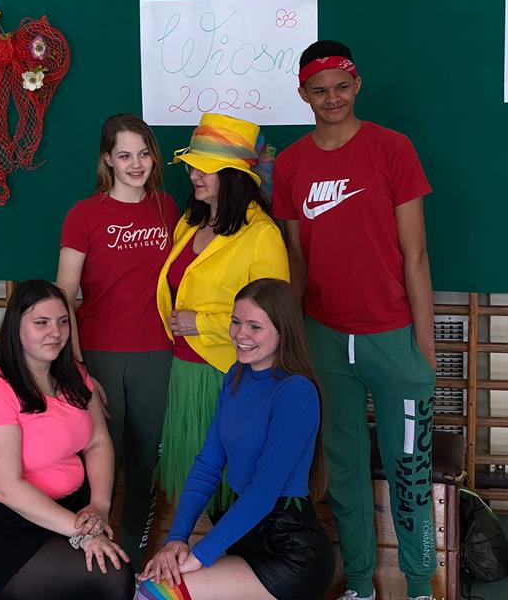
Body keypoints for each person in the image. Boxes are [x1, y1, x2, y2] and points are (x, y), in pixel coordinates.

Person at [272, 40, 436, 600]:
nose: (332, 98)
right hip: (323, 337)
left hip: (393, 337)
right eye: (319, 90)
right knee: (343, 468)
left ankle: (420, 586)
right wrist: (295, 339)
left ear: (357, 85)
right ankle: (361, 585)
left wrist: (424, 344)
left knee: (409, 467)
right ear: (303, 94)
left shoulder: (392, 149)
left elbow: (416, 254)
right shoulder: (291, 164)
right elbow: (297, 259)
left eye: (342, 87)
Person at [138, 278, 334, 600]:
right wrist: (176, 539)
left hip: (289, 553)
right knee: (153, 584)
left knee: (154, 593)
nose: (240, 334)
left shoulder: (296, 391)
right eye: (236, 321)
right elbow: (207, 466)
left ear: (283, 331)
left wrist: (200, 555)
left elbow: (264, 491)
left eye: (254, 326)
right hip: (245, 539)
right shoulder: (235, 376)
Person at [57, 113, 180, 572]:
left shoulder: (168, 208)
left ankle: (132, 563)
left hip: (158, 354)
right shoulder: (84, 214)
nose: (136, 164)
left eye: (144, 154)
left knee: (145, 464)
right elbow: (65, 293)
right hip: (100, 355)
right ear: (107, 159)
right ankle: (87, 562)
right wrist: (77, 367)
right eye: (124, 155)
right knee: (95, 461)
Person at [0, 279, 135, 600]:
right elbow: (6, 488)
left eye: (63, 322)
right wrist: (83, 534)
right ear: (16, 327)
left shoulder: (75, 377)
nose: (55, 332)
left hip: (72, 509)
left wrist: (99, 505)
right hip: (8, 528)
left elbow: (97, 442)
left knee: (109, 573)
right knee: (111, 577)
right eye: (41, 322)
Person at [154, 112, 290, 517]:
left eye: (206, 168)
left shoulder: (261, 234)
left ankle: (236, 556)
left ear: (232, 176)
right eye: (193, 165)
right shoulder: (189, 222)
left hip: (230, 375)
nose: (194, 174)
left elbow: (274, 317)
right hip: (185, 371)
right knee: (198, 488)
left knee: (230, 491)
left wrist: (202, 323)